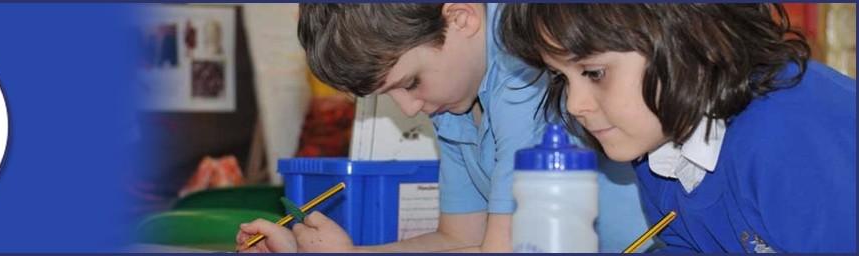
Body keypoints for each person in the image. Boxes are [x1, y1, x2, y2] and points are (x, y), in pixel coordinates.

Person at [235, 3, 649, 253]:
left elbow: (502, 251)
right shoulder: (455, 96)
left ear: (461, 17)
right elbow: (457, 237)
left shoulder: (519, 67)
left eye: (410, 83)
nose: (411, 108)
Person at [498, 3, 856, 253]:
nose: (575, 105)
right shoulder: (659, 154)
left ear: (692, 37)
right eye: (562, 77)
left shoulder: (789, 135)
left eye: (594, 73)